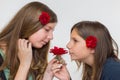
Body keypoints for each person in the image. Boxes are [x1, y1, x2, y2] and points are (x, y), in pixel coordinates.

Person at [0, 1, 58, 80]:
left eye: (52, 31)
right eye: (47, 30)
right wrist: (24, 64)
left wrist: (47, 76)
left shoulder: (34, 53)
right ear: (30, 25)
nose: (51, 37)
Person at [52, 21, 120, 80]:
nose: (68, 45)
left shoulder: (113, 71)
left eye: (75, 41)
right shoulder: (94, 70)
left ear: (93, 47)